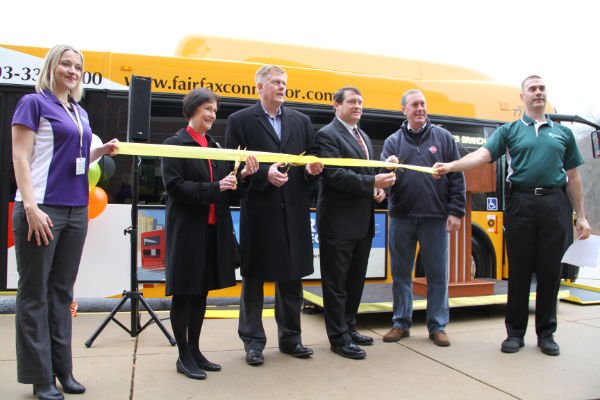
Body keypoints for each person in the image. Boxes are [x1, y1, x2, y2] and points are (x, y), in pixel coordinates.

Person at [433, 75, 591, 356]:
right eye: (532, 89)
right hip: (521, 203)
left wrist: (581, 215)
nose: (538, 93)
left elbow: (574, 177)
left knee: (550, 273)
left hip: (555, 204)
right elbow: (482, 156)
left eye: (542, 88)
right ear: (523, 97)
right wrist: (452, 166)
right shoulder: (510, 130)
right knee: (518, 272)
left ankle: (546, 335)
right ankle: (514, 334)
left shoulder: (563, 134)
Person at [11, 44, 118, 400]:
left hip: (75, 209)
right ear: (52, 67)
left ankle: (63, 371)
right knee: (33, 295)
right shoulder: (34, 103)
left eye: (78, 66)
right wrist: (30, 206)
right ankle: (40, 378)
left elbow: (75, 156)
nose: (73, 71)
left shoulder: (78, 111)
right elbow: (21, 157)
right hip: (41, 208)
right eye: (66, 64)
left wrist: (100, 151)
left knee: (61, 294)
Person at [225, 65, 323, 366]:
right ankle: (253, 342)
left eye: (284, 83)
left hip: (292, 213)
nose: (282, 87)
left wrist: (310, 171)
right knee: (254, 280)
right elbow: (233, 169)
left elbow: (312, 162)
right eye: (276, 83)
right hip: (259, 213)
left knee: (291, 279)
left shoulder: (302, 121)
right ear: (259, 87)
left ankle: (291, 339)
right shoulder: (240, 121)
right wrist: (262, 176)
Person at [161, 88, 258, 379]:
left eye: (215, 111)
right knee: (185, 292)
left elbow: (229, 187)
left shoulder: (215, 147)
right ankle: (183, 356)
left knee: (201, 292)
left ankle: (195, 349)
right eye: (208, 109)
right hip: (188, 231)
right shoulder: (174, 144)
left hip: (213, 230)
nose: (213, 115)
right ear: (192, 109)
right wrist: (216, 188)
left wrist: (244, 177)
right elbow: (175, 187)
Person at [315, 87, 395, 359]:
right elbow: (335, 176)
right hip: (338, 223)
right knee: (336, 284)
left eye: (360, 102)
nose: (358, 106)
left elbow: (364, 172)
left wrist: (377, 188)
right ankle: (338, 338)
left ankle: (349, 326)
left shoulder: (363, 136)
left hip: (362, 221)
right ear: (336, 105)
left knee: (355, 281)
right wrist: (372, 181)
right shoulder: (327, 135)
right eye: (352, 102)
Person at [381, 89, 465, 347]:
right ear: (404, 110)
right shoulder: (392, 142)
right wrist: (388, 166)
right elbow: (383, 180)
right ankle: (400, 323)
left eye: (423, 104)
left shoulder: (444, 138)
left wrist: (456, 211)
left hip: (435, 218)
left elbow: (457, 176)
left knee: (437, 275)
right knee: (401, 274)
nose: (420, 109)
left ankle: (438, 326)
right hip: (401, 217)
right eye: (415, 105)